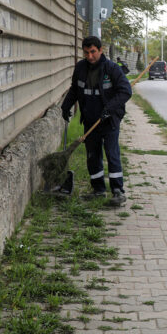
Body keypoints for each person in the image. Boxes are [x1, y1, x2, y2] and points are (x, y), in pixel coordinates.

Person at [61, 36, 132, 206]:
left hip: (109, 120)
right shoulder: (80, 68)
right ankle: (98, 190)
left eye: (93, 52)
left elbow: (125, 91)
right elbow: (74, 89)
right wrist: (66, 106)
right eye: (86, 53)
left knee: (111, 153)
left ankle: (118, 191)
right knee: (92, 155)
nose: (90, 56)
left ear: (101, 50)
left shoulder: (112, 69)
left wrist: (110, 108)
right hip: (90, 119)